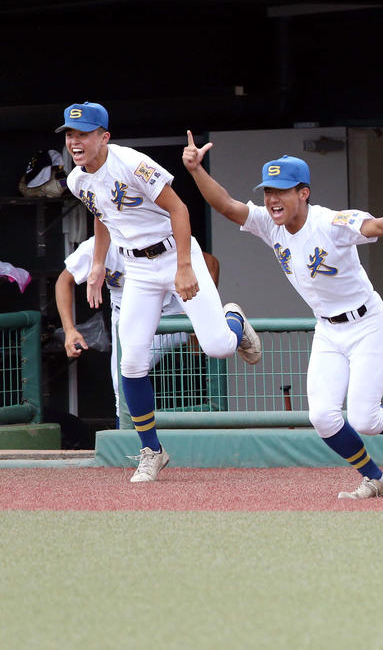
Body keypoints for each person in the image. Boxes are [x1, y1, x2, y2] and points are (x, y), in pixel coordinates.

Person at [182, 135, 383, 498]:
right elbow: (226, 205)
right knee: (322, 417)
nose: (272, 199)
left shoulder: (330, 222)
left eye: (281, 191)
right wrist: (195, 170)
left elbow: (369, 226)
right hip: (329, 330)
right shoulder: (271, 224)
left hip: (367, 324)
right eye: (268, 190)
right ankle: (374, 478)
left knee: (366, 419)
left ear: (303, 193)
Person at [60, 102, 261, 483]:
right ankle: (152, 450)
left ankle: (233, 319)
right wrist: (99, 263)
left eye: (83, 133)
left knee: (217, 346)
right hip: (136, 267)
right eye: (70, 135)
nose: (75, 141)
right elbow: (103, 214)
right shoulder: (77, 179)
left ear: (104, 137)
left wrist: (184, 265)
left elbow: (179, 208)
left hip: (174, 252)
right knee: (131, 364)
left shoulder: (132, 163)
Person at [56, 237, 217, 419]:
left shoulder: (155, 235)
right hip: (127, 315)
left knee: (217, 345)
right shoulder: (98, 246)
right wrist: (69, 329)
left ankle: (230, 327)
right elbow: (63, 280)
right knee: (121, 384)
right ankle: (131, 438)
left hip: (171, 313)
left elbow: (211, 263)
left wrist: (197, 308)